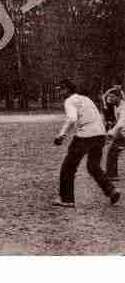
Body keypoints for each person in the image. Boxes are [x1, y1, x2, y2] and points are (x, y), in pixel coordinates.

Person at [52, 79, 120, 208]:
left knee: (68, 167)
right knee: (93, 166)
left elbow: (72, 118)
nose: (59, 93)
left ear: (66, 89)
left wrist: (61, 135)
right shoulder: (86, 99)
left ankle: (67, 199)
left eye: (60, 90)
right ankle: (111, 190)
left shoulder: (69, 100)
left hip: (84, 135)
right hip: (100, 134)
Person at [105, 87, 125, 181]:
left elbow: (121, 123)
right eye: (109, 97)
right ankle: (111, 174)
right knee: (113, 151)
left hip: (122, 132)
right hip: (122, 133)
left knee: (113, 151)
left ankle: (111, 174)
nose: (110, 99)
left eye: (112, 97)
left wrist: (112, 132)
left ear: (118, 97)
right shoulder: (115, 106)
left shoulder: (123, 107)